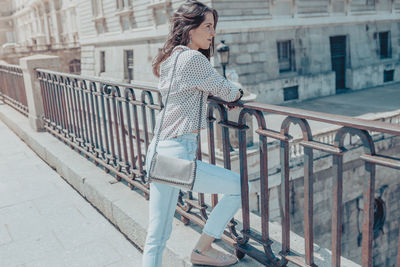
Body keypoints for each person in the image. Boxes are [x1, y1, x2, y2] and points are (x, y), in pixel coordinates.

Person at [143, 1, 246, 266]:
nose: (213, 34)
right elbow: (230, 92)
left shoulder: (171, 59)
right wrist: (237, 93)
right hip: (176, 156)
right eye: (208, 27)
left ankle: (201, 251)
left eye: (214, 27)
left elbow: (196, 87)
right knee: (237, 186)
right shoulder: (193, 59)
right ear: (190, 30)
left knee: (156, 236)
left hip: (156, 151)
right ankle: (202, 249)